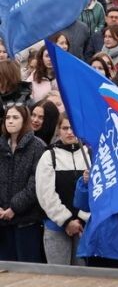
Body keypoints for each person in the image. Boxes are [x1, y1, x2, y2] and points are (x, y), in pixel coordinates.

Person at [36, 114, 88, 266]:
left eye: (73, 128)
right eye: (65, 128)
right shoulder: (49, 156)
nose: (70, 132)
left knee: (83, 277)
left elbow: (96, 192)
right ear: (58, 131)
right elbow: (45, 194)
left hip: (83, 227)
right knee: (58, 277)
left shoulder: (90, 155)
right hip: (55, 226)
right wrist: (66, 221)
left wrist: (81, 219)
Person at [0, 103, 46, 262]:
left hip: (27, 221)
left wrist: (14, 207)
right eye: (8, 117)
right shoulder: (1, 145)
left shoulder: (37, 146)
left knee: (28, 269)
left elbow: (36, 182)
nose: (10, 121)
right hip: (2, 221)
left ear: (24, 120)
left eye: (15, 117)